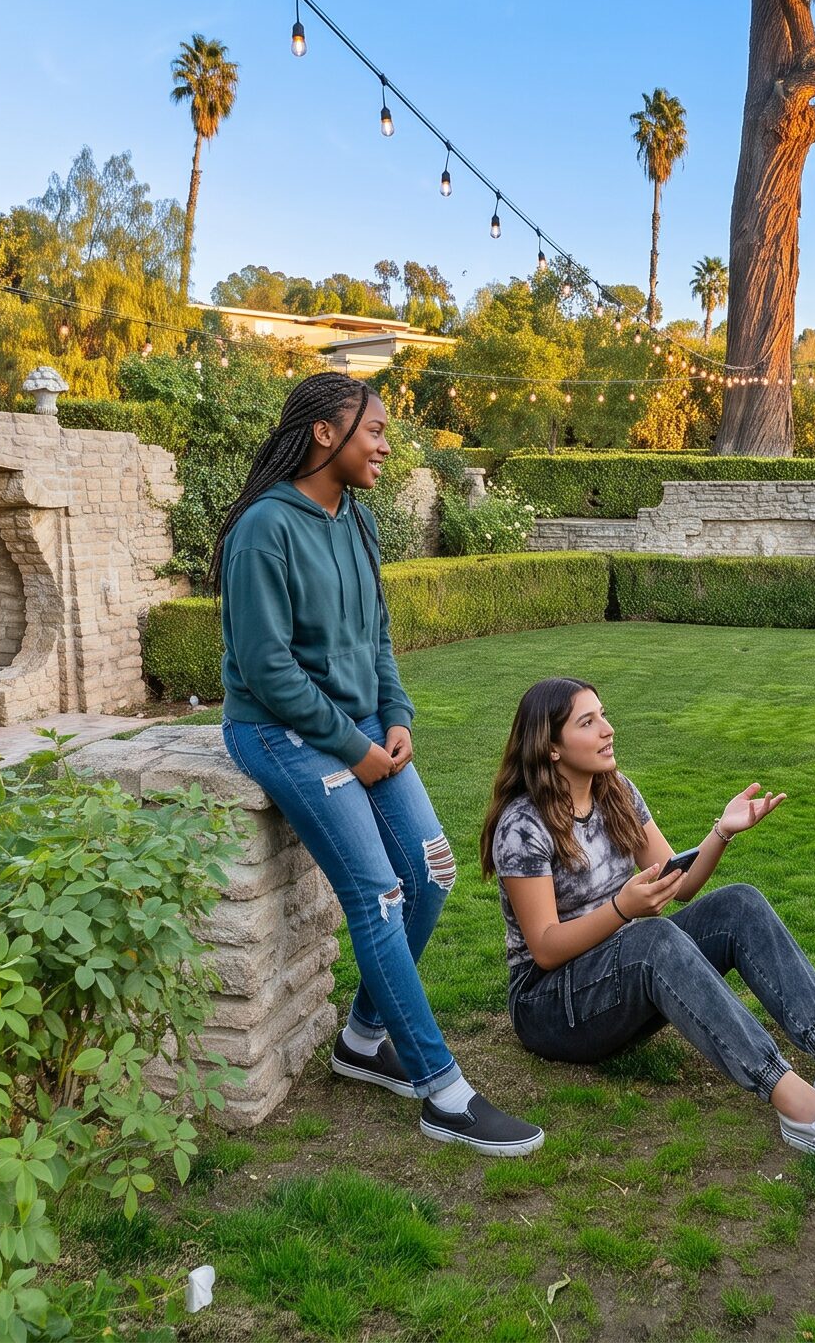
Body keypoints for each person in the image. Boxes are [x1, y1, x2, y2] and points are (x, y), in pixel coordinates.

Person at [217, 373, 542, 1156]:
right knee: (380, 891)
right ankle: (442, 1091)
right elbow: (265, 669)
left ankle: (363, 1039)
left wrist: (394, 718)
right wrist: (353, 747)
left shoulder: (356, 520)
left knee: (432, 870)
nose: (387, 447)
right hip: (278, 732)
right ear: (325, 433)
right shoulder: (266, 529)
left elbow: (378, 637)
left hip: (360, 725)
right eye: (376, 432)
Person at [480, 676, 815, 1174]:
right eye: (588, 722)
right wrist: (623, 910)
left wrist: (721, 831)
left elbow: (681, 883)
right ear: (552, 747)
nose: (608, 729)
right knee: (652, 939)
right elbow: (543, 948)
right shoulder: (524, 825)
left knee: (739, 903)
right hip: (549, 1005)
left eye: (603, 715)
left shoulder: (617, 792)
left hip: (621, 978)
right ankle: (797, 1105)